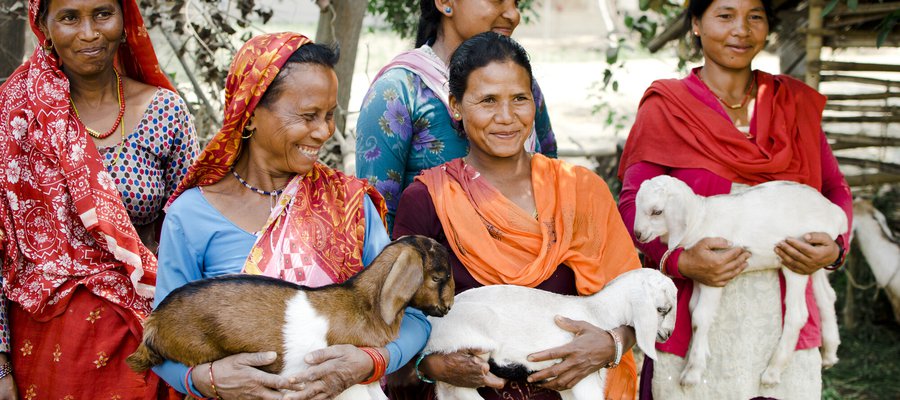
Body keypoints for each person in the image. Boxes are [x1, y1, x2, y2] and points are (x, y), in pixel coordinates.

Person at [154, 32, 431, 399]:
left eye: (330, 115)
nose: (324, 131)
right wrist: (206, 379)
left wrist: (372, 360)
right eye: (308, 116)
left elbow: (413, 317)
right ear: (249, 116)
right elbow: (160, 339)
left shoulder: (351, 204)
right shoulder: (192, 216)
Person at [616, 0, 852, 398]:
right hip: (695, 327)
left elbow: (835, 191)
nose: (741, 29)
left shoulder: (792, 105)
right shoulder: (667, 108)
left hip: (784, 328)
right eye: (725, 15)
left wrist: (835, 249)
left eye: (754, 17)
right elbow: (630, 208)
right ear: (695, 24)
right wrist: (681, 260)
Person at [389, 32, 641, 400]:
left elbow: (635, 300)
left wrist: (610, 345)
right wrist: (433, 365)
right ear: (456, 106)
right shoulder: (428, 201)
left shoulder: (580, 191)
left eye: (519, 99)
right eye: (488, 100)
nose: (506, 117)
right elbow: (394, 324)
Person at [0, 0, 197, 397]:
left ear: (126, 20)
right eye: (69, 18)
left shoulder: (164, 112)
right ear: (43, 25)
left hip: (144, 336)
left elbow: (191, 230)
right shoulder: (15, 113)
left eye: (103, 14)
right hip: (43, 338)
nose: (89, 33)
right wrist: (0, 364)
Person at [356, 0, 558, 232]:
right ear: (445, 2)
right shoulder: (398, 93)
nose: (513, 15)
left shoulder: (522, 86)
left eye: (516, 2)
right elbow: (377, 226)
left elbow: (550, 174)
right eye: (497, 1)